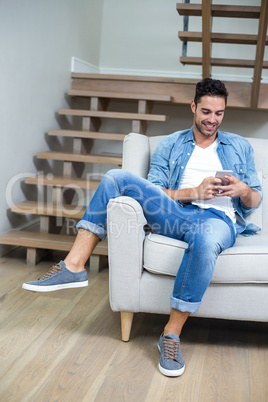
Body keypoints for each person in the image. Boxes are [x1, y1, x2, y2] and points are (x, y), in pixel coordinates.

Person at [22, 78, 262, 377]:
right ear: (193, 107)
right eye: (206, 112)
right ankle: (74, 265)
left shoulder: (239, 146)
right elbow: (156, 191)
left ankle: (170, 336)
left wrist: (241, 190)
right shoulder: (170, 144)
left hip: (218, 221)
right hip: (175, 212)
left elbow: (254, 202)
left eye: (219, 113)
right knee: (114, 177)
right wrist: (194, 192)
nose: (212, 119)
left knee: (206, 237)